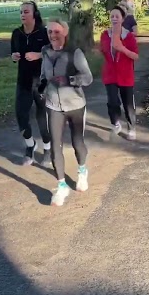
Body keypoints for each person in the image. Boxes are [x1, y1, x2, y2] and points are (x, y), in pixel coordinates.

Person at [39, 19, 94, 206]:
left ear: (65, 33)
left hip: (75, 104)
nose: (52, 35)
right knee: (56, 145)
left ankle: (82, 171)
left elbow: (88, 78)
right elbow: (43, 75)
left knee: (77, 142)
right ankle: (61, 185)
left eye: (56, 32)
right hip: (54, 105)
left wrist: (70, 79)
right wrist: (41, 88)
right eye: (49, 32)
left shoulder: (74, 53)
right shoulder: (45, 51)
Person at [10, 2, 51, 166]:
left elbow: (53, 51)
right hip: (23, 81)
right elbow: (12, 52)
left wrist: (38, 55)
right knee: (21, 115)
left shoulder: (44, 32)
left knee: (42, 116)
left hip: (42, 81)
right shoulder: (16, 33)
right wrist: (14, 56)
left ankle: (48, 149)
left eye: (26, 11)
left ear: (34, 14)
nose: (22, 14)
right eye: (21, 12)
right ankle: (30, 145)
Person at [100, 6, 140, 141]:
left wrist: (122, 49)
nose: (114, 18)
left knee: (128, 104)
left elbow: (135, 56)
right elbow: (103, 50)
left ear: (123, 19)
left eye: (117, 16)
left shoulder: (128, 36)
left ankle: (131, 127)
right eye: (112, 16)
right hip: (110, 74)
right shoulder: (105, 35)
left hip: (125, 74)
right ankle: (115, 123)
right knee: (112, 101)